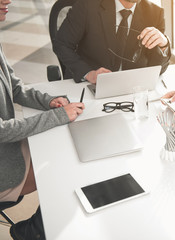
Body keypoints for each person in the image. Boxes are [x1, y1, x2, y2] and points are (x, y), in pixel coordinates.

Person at [0, 0, 85, 238]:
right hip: (4, 164)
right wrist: (57, 116)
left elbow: (15, 87)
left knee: (67, 146)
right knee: (66, 168)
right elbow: (2, 131)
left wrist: (47, 102)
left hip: (8, 148)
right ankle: (33, 232)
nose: (7, 0)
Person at [53, 0, 171, 84]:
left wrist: (163, 45)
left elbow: (157, 70)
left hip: (131, 89)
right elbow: (61, 44)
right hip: (92, 84)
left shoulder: (155, 13)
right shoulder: (87, 5)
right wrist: (88, 73)